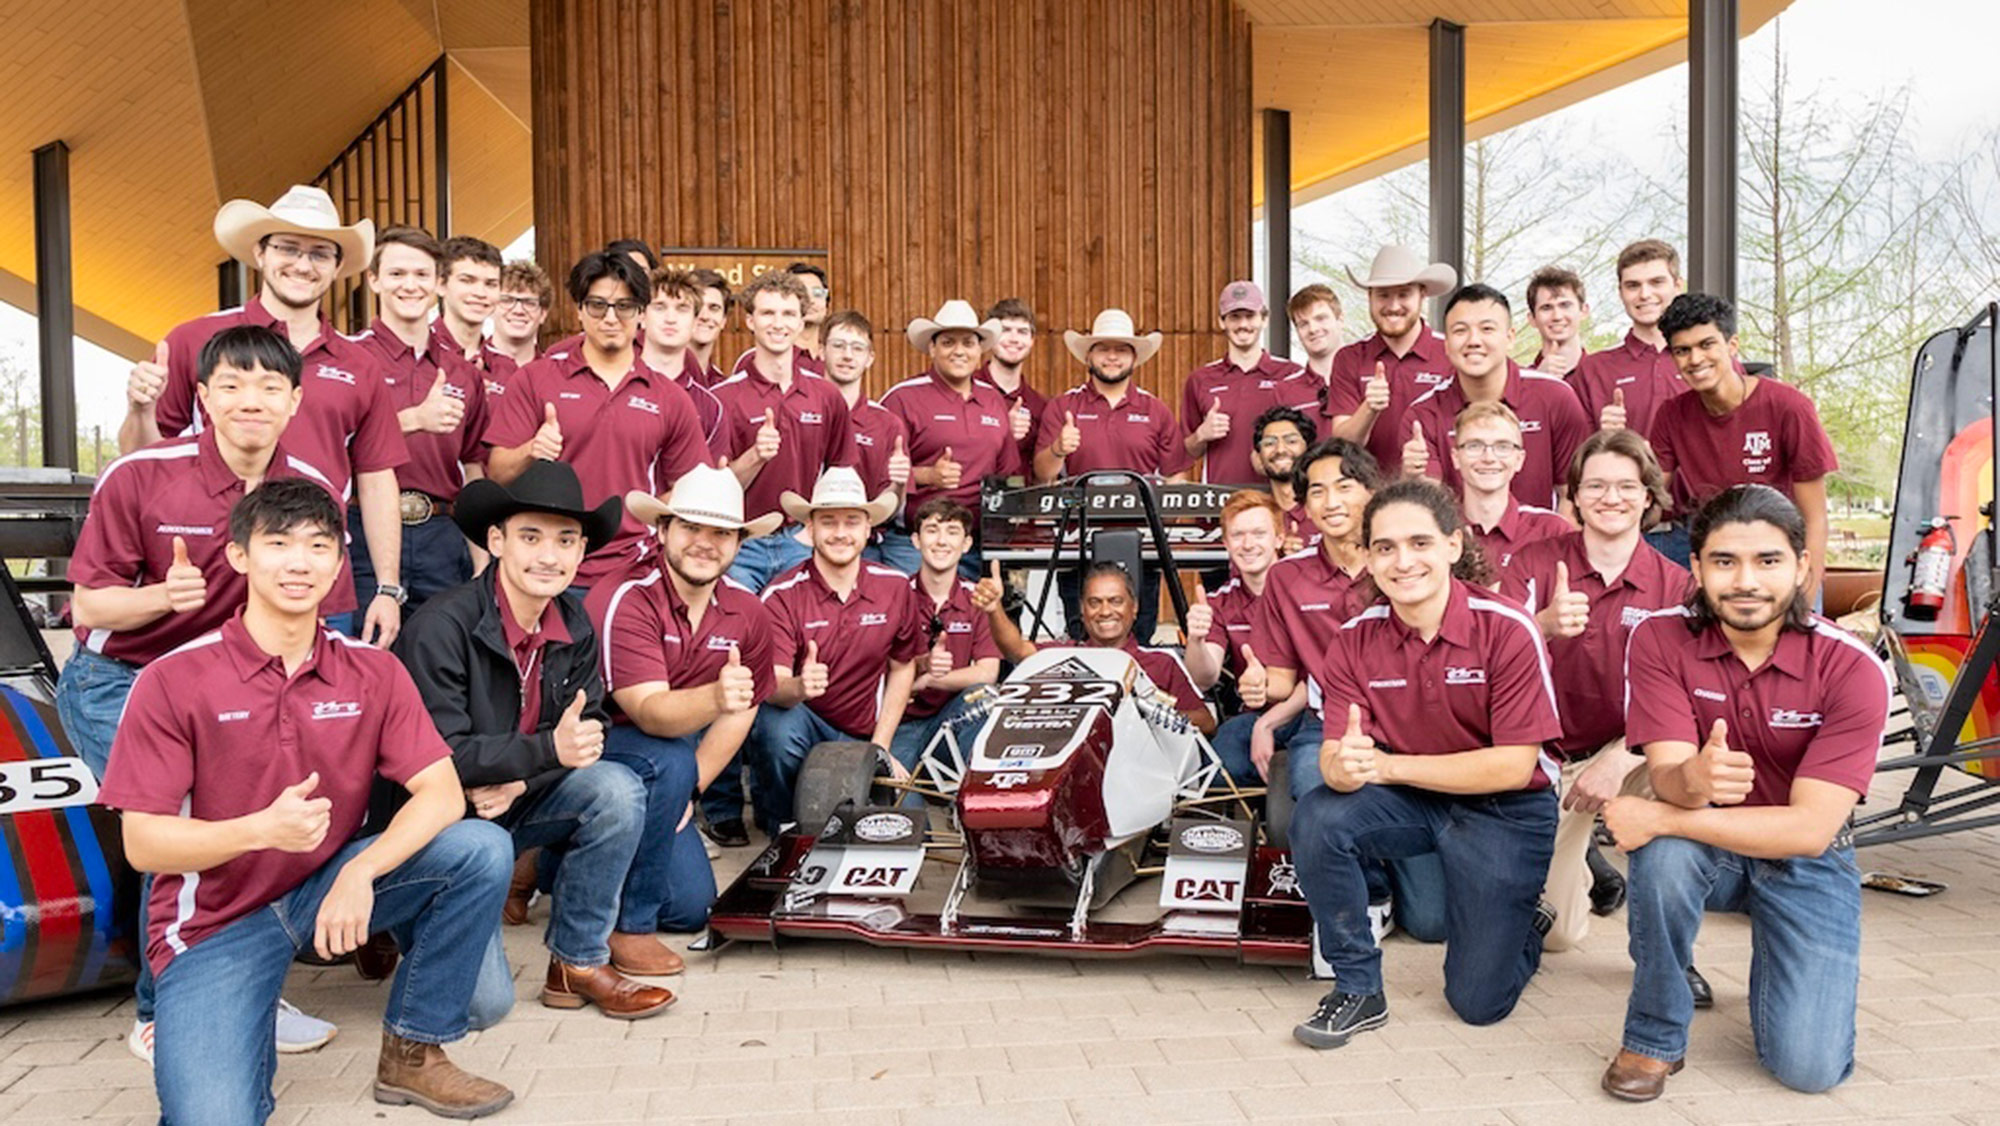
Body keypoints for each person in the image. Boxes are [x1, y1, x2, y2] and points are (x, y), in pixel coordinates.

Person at [97, 479, 516, 1123]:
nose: (300, 562)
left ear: (340, 559)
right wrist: (260, 829)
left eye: (319, 545)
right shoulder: (173, 678)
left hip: (321, 890)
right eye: (278, 543)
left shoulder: (372, 669)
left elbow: (440, 792)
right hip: (216, 922)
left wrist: (359, 871)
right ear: (239, 555)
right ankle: (232, 1022)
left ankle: (414, 1048)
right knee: (213, 1117)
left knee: (481, 848)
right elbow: (144, 842)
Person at [58, 324, 345, 1063]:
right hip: (121, 682)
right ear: (203, 397)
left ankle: (246, 981)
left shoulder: (311, 488)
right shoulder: (143, 474)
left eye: (269, 387)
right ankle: (163, 1012)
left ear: (294, 400)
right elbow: (88, 609)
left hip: (237, 686)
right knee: (182, 827)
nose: (251, 400)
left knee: (260, 818)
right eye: (232, 385)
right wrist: (161, 596)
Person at [1600, 485, 1889, 1100]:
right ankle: (1653, 1034)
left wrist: (1664, 814)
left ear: (1803, 566)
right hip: (1712, 850)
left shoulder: (1853, 668)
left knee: (1808, 1071)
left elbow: (1810, 830)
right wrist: (1691, 783)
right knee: (1663, 858)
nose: (1746, 581)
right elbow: (1673, 775)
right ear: (1697, 568)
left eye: (1768, 561)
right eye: (1725, 562)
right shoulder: (1659, 639)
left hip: (1807, 860)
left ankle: (1782, 952)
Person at [394, 461, 676, 1020]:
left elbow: (586, 735)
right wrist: (544, 754)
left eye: (566, 540)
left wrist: (523, 774)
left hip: (514, 799)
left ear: (580, 553)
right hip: (439, 824)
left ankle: (577, 961)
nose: (549, 555)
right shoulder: (439, 626)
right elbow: (438, 757)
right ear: (496, 541)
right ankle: (399, 918)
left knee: (616, 789)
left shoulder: (575, 620)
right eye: (531, 537)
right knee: (482, 1008)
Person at [1290, 478, 1561, 1050]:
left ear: (1453, 546)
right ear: (1366, 557)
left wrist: (1386, 769)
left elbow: (1514, 767)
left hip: (1504, 809)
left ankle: (1523, 925)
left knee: (1476, 1005)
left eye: (1419, 543)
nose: (1402, 561)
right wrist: (1346, 767)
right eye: (1384, 548)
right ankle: (1358, 988)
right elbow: (1337, 759)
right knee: (1318, 815)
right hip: (1414, 798)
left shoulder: (1509, 628)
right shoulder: (1354, 640)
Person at [121, 184, 408, 646]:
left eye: (319, 254)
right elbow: (142, 463)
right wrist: (138, 409)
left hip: (315, 583)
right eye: (288, 248)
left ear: (337, 267)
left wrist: (388, 588)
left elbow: (376, 480)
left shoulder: (360, 365)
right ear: (259, 253)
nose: (301, 264)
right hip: (212, 582)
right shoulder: (195, 339)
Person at [1499, 429, 1689, 954]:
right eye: (1597, 485)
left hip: (1633, 753)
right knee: (1554, 936)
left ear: (1648, 496)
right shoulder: (1534, 563)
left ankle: (1669, 951)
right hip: (1550, 756)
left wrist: (1621, 756)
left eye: (1627, 486)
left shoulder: (1676, 587)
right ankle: (1588, 868)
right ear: (1575, 495)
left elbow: (1687, 700)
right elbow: (1486, 659)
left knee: (1689, 792)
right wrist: (1542, 624)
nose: (1611, 498)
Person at [589, 464, 781, 934]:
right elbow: (650, 714)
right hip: (595, 750)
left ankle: (563, 867)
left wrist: (689, 795)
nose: (705, 542)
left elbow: (745, 706)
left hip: (671, 766)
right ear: (662, 530)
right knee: (669, 757)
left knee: (690, 910)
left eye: (722, 532)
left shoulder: (748, 610)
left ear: (739, 543)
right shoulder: (625, 596)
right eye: (691, 527)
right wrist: (718, 697)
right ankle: (623, 927)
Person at [484, 250, 712, 591]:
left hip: (634, 569)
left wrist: (646, 512)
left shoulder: (669, 397)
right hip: (547, 567)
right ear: (579, 310)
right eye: (597, 305)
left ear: (641, 313)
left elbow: (692, 488)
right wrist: (532, 450)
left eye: (624, 306)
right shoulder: (535, 379)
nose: (610, 318)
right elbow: (497, 472)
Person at [748, 468, 925, 832]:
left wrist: (881, 747)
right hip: (805, 721)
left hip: (865, 729)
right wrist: (800, 686)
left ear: (868, 529)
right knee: (774, 729)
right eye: (828, 522)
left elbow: (903, 666)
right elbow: (774, 686)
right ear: (809, 529)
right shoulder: (781, 595)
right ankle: (783, 828)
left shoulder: (895, 587)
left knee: (910, 822)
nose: (841, 533)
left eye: (851, 522)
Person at [1647, 293, 1835, 590]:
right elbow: (1652, 499)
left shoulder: (1789, 406)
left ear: (1732, 345)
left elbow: (1815, 518)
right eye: (1682, 350)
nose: (1695, 359)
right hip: (1714, 547)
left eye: (1706, 345)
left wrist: (1806, 596)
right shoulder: (1672, 414)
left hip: (1779, 546)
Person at [350, 226, 489, 611]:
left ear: (439, 284)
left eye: (421, 275)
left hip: (443, 538)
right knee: (370, 660)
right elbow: (328, 448)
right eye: (397, 274)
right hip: (362, 534)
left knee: (440, 662)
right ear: (374, 280)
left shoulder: (463, 372)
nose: (409, 285)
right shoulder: (348, 360)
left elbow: (474, 468)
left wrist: (481, 562)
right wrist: (413, 419)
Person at [1039, 308, 1185, 639]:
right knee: (1081, 634)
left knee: (1141, 633)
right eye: (1104, 348)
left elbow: (1176, 477)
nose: (1112, 357)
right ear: (1089, 354)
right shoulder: (1063, 407)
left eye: (1121, 349)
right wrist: (1058, 449)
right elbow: (1042, 476)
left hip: (1143, 548)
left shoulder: (1156, 410)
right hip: (1078, 544)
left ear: (1135, 357)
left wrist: (1162, 530)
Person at [1255, 439, 1384, 801]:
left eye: (1344, 487)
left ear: (1372, 493)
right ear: (1305, 507)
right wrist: (1257, 685)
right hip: (1326, 723)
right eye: (1317, 492)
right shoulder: (1285, 576)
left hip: (1402, 721)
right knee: (1316, 802)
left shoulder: (1398, 564)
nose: (1331, 503)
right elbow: (1280, 682)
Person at [712, 269, 857, 589]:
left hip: (800, 542)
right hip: (740, 543)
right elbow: (714, 491)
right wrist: (755, 456)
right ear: (750, 320)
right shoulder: (723, 398)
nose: (778, 323)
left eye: (788, 313)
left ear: (802, 320)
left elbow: (841, 474)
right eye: (768, 313)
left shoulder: (827, 396)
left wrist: (816, 531)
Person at [1405, 283, 1591, 513]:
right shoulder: (1422, 415)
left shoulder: (1556, 396)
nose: (1473, 340)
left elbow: (1570, 496)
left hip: (1542, 545)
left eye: (1487, 329)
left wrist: (1557, 548)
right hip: (1459, 545)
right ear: (1446, 344)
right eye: (1460, 331)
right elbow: (1429, 507)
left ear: (1510, 337)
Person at [882, 301, 1025, 575]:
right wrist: (927, 476)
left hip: (976, 544)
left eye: (968, 343)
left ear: (980, 350)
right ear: (932, 348)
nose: (959, 351)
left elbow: (1008, 473)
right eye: (948, 342)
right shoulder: (902, 398)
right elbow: (874, 473)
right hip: (914, 545)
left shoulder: (993, 399)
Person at [1010, 562, 1215, 736]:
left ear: (1134, 608)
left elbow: (1207, 722)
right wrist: (994, 611)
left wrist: (1152, 713)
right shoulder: (1063, 655)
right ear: (1082, 609)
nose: (1105, 611)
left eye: (1115, 601)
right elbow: (1018, 651)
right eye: (1095, 603)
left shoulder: (1161, 662)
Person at [891, 498, 1003, 772]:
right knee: (901, 807)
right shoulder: (892, 594)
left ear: (966, 544)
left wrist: (929, 680)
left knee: (984, 696)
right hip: (900, 723)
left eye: (952, 532)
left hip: (953, 719)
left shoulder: (978, 598)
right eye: (932, 530)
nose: (941, 541)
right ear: (916, 540)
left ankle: (966, 790)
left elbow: (987, 673)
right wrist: (920, 668)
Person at [1324, 246, 1457, 473]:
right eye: (1383, 295)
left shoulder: (1452, 353)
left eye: (1404, 294)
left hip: (1439, 497)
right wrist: (1369, 408)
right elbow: (1342, 446)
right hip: (1369, 498)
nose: (1393, 306)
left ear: (1422, 295)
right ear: (1370, 297)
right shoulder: (1349, 358)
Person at [1185, 490, 1286, 785]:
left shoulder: (1306, 589)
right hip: (1250, 716)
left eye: (1258, 533)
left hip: (1311, 713)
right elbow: (1204, 677)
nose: (1248, 544)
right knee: (1217, 773)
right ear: (1226, 543)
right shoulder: (1219, 601)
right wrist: (1196, 640)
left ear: (1278, 538)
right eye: (1238, 535)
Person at [1180, 280, 1316, 485]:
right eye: (1234, 317)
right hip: (1219, 502)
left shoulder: (1292, 374)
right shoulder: (1200, 379)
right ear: (1221, 321)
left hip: (1278, 500)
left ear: (1264, 319)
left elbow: (1310, 443)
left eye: (1250, 316)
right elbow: (1184, 452)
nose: (1243, 325)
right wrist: (1201, 434)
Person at [820, 310, 915, 572]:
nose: (847, 355)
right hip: (808, 540)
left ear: (870, 358)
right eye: (838, 346)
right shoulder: (803, 414)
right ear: (821, 351)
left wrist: (898, 484)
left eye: (857, 348)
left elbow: (893, 506)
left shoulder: (887, 423)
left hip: (870, 540)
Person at [1572, 239, 1689, 435]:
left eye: (1656, 282)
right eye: (1633, 286)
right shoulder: (1593, 370)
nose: (1644, 294)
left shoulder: (1710, 360)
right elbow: (1577, 456)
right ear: (1621, 293)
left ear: (1677, 286)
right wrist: (1603, 438)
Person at [1450, 401, 1572, 575]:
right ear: (1455, 457)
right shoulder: (1437, 530)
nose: (1488, 458)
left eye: (1502, 447)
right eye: (1474, 446)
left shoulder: (1552, 531)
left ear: (1519, 460)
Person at [637, 266, 727, 451]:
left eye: (682, 308)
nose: (670, 318)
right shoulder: (613, 387)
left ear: (695, 322)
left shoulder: (711, 408)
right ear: (642, 316)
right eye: (660, 307)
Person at [977, 298, 1045, 471]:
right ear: (991, 337)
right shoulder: (968, 390)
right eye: (1005, 330)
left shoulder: (1040, 405)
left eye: (1022, 332)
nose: (1014, 339)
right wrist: (1003, 430)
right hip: (972, 496)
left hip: (1022, 496)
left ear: (1032, 341)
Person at [432, 236, 507, 373]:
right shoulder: (414, 353)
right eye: (467, 281)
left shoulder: (507, 368)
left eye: (491, 284)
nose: (480, 293)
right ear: (441, 285)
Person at [1251, 406, 1317, 554]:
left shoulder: (1327, 508)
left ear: (1309, 450)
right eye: (1269, 443)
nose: (1280, 450)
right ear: (1258, 456)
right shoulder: (1254, 515)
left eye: (1291, 441)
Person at [487, 258, 552, 379]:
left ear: (543, 314)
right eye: (507, 300)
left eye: (529, 303)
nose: (518, 310)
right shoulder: (469, 366)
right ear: (491, 308)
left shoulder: (555, 374)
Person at [1525, 266, 1590, 380]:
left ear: (1584, 311)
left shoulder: (1604, 374)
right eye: (1546, 308)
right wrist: (1538, 381)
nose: (1557, 316)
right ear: (1532, 319)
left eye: (1565, 305)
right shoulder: (1520, 382)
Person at [1288, 283, 1345, 392]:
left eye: (1320, 318)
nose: (1313, 329)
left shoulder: (1370, 378)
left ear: (1340, 319)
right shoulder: (1284, 393)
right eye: (1303, 324)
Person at [685, 268, 733, 388]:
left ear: (724, 321)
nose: (705, 316)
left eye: (714, 308)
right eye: (697, 307)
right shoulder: (664, 376)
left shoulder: (724, 386)